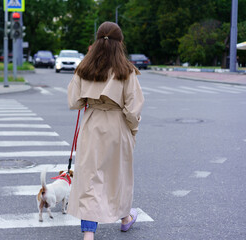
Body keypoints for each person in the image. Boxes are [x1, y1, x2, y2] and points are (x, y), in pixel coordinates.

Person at [67, 22, 144, 240]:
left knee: (90, 178)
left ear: (97, 41)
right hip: (117, 125)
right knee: (118, 177)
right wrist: (133, 130)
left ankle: (89, 234)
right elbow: (133, 108)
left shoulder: (84, 68)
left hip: (93, 123)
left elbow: (74, 101)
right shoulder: (126, 70)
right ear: (120, 43)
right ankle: (125, 218)